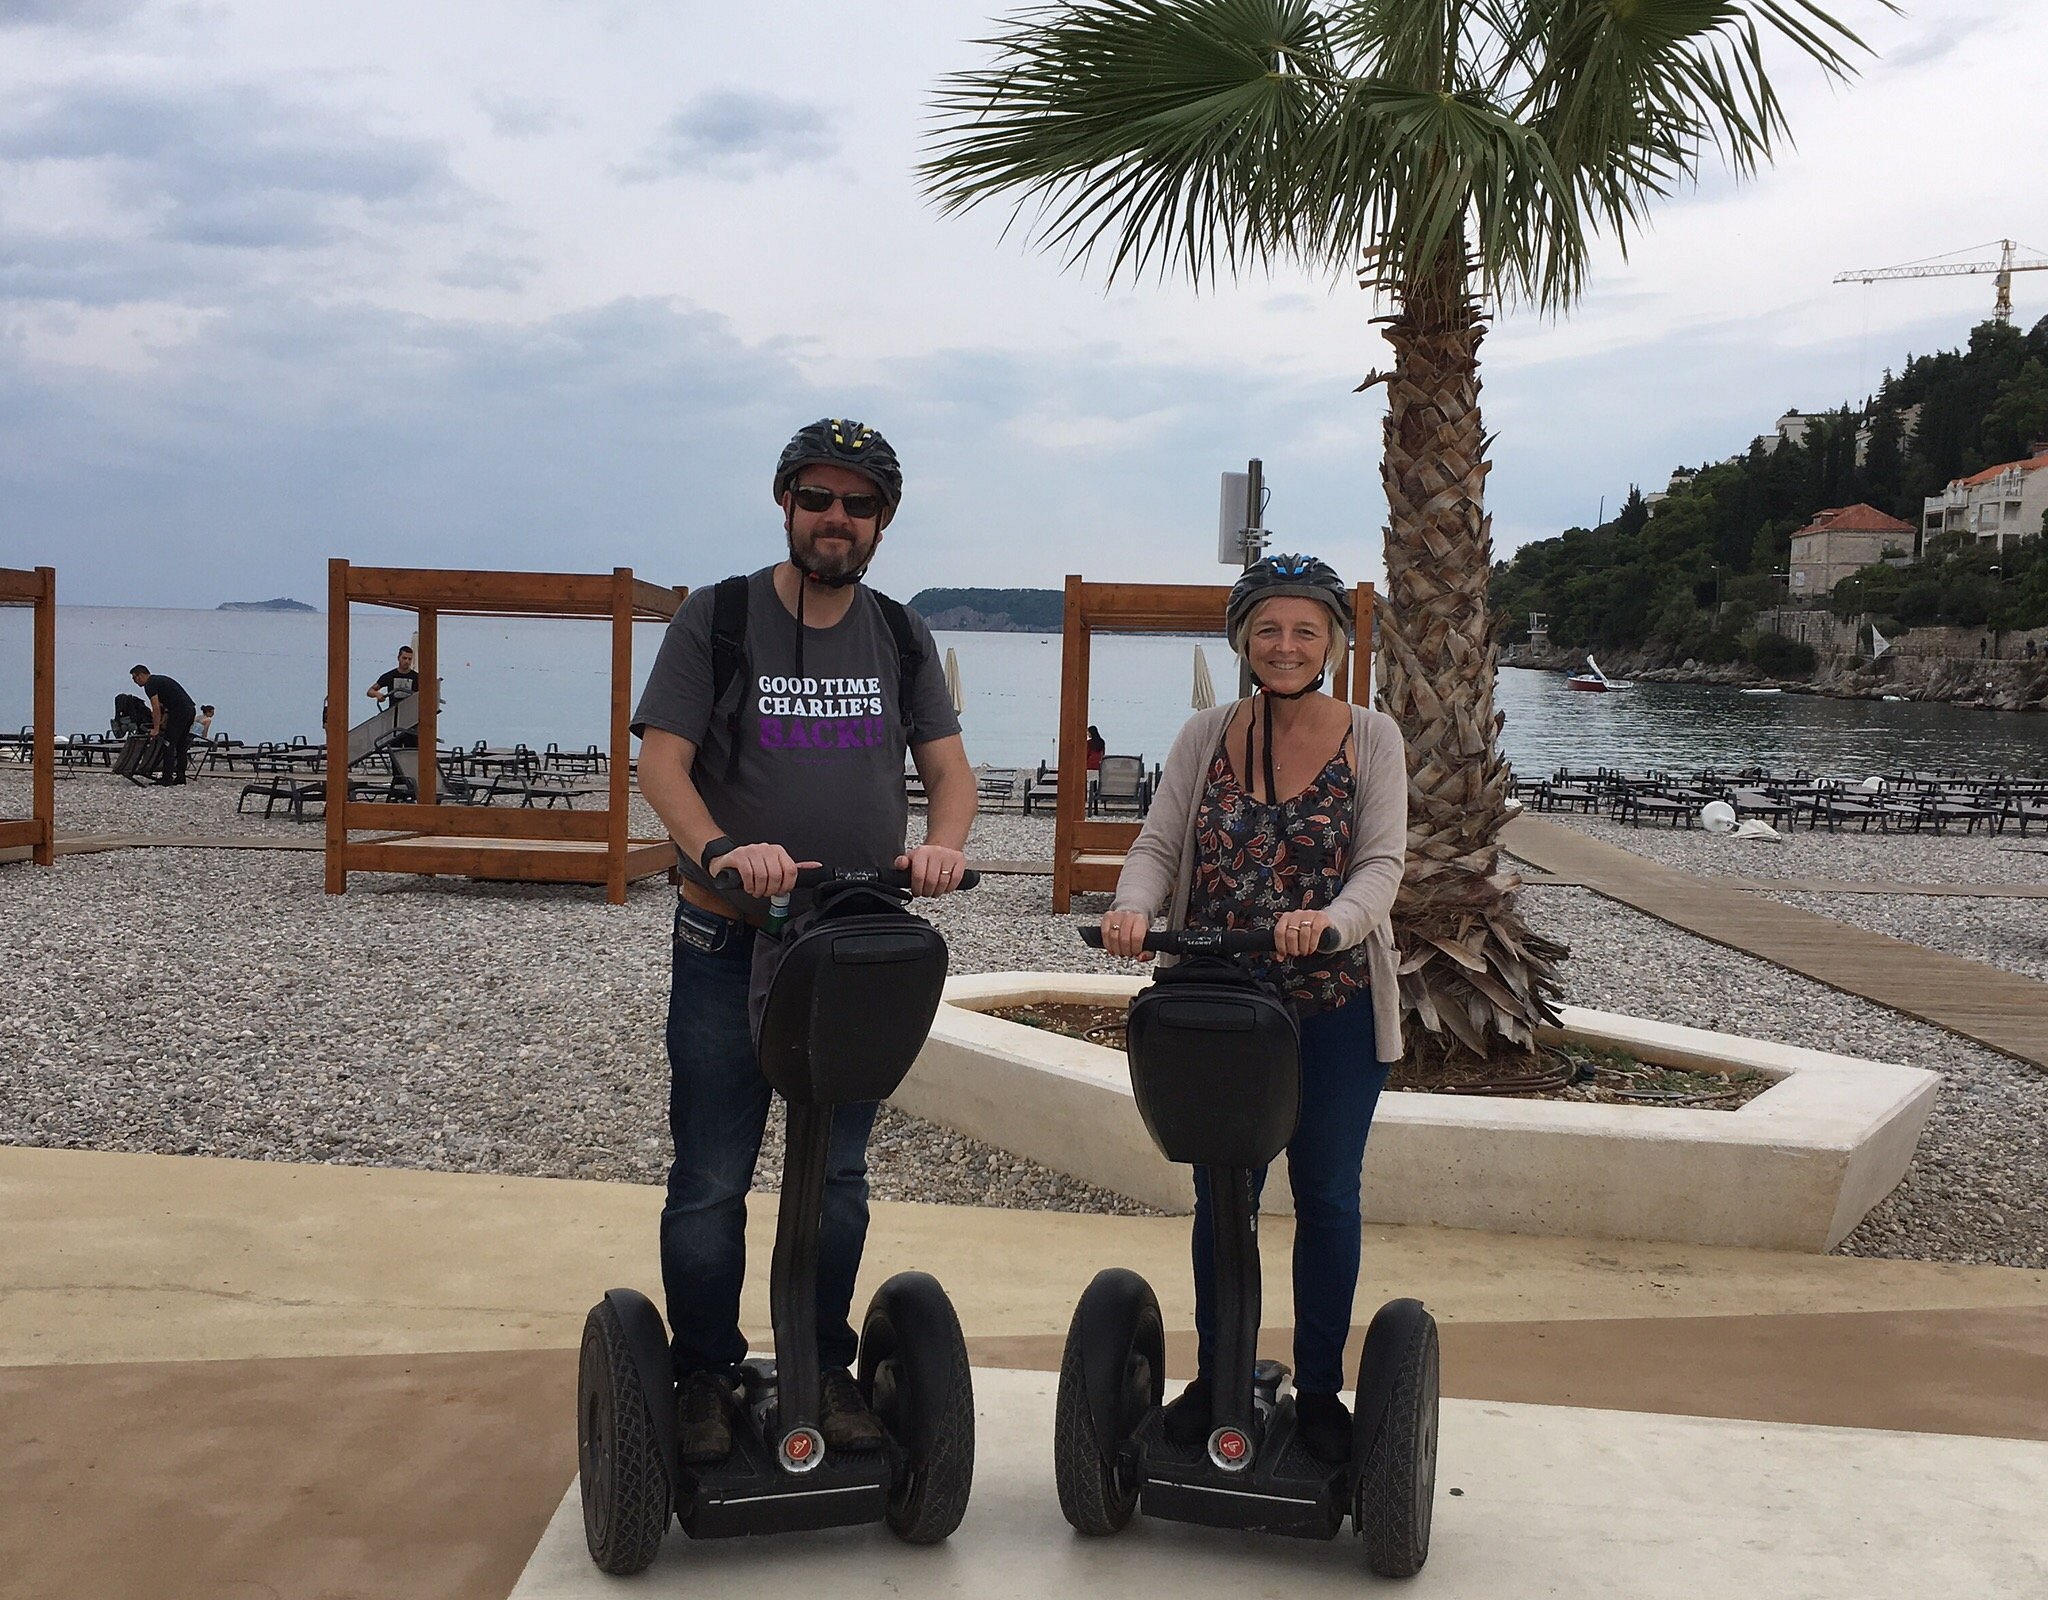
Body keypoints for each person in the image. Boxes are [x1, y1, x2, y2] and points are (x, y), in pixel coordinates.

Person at [631, 418, 979, 1466]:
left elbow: (950, 774)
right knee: (710, 1176)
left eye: (857, 504)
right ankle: (701, 1371)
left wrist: (942, 847)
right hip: (729, 938)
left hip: (850, 945)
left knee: (835, 1177)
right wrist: (722, 848)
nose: (836, 519)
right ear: (784, 503)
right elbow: (661, 763)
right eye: (817, 498)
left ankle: (823, 1365)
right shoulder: (717, 617)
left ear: (882, 522)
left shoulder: (898, 633)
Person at [1098, 553, 1405, 1465]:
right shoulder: (1206, 732)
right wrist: (1133, 908)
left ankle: (1318, 1392)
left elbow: (1382, 865)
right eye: (1268, 629)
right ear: (1243, 640)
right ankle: (1217, 1375)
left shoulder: (1372, 737)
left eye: (1306, 630)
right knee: (1221, 1195)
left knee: (1325, 1198)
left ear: (1335, 644)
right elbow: (1158, 844)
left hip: (1333, 1004)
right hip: (1218, 1002)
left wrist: (1333, 922)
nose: (1286, 645)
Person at [129, 664, 198, 785]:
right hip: (189, 710)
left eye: (135, 678)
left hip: (179, 712)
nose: (135, 682)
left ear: (141, 675)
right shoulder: (159, 680)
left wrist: (156, 728)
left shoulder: (150, 684)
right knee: (181, 746)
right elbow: (166, 705)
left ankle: (167, 778)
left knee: (168, 744)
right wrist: (162, 722)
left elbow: (155, 707)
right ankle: (181, 777)